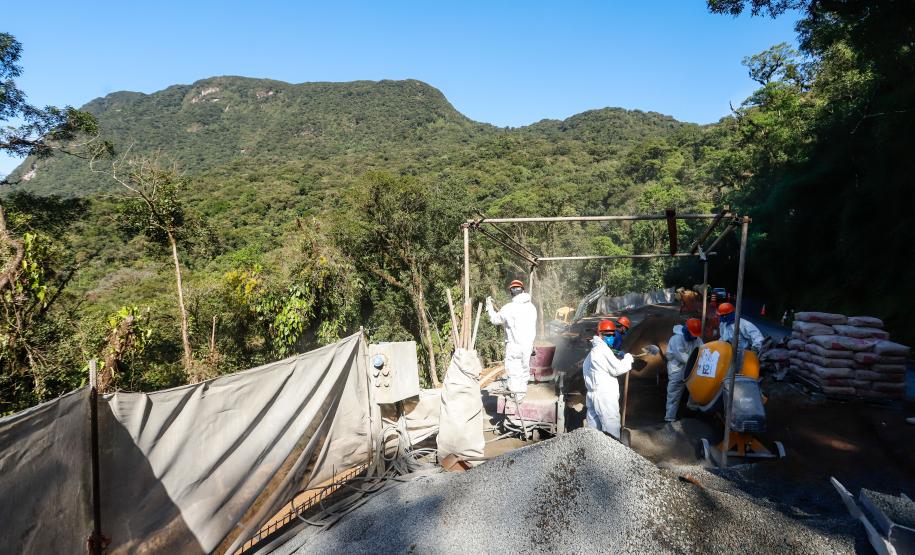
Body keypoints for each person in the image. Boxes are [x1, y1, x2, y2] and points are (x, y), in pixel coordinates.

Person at [486, 279, 537, 401]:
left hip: (514, 346)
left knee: (514, 371)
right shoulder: (531, 307)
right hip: (527, 346)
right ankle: (521, 395)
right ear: (523, 291)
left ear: (511, 293)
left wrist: (489, 307)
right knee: (524, 370)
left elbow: (495, 320)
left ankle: (516, 398)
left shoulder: (509, 308)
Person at [582, 319, 634, 438]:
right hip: (605, 395)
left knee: (593, 430)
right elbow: (617, 369)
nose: (611, 337)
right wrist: (628, 360)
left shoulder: (594, 350)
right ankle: (612, 455)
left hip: (593, 394)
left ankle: (593, 453)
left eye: (612, 335)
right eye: (607, 335)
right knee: (612, 428)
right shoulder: (603, 350)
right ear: (600, 334)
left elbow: (586, 370)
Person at [665, 318, 703, 422]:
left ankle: (691, 412)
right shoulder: (676, 339)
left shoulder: (697, 339)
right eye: (693, 334)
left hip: (692, 369)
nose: (694, 337)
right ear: (686, 330)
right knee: (674, 394)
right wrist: (698, 362)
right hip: (677, 369)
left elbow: (703, 351)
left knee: (696, 390)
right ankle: (670, 418)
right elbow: (682, 357)